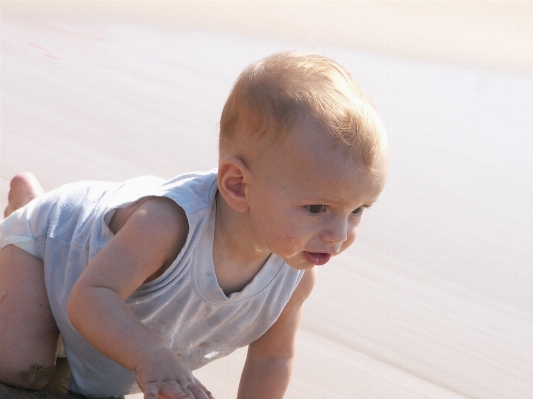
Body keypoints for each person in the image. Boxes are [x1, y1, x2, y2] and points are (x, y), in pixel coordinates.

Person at [0, 51, 389, 399]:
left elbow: (273, 358)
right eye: (317, 207)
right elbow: (89, 298)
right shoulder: (167, 226)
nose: (340, 234)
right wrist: (152, 355)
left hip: (92, 273)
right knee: (21, 369)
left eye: (358, 209)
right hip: (50, 247)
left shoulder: (295, 275)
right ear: (238, 186)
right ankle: (27, 211)